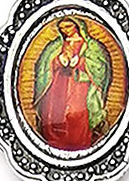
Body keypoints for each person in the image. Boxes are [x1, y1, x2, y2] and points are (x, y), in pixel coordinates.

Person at [31, 17, 112, 152]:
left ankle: (79, 144)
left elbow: (100, 66)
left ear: (77, 26)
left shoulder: (92, 46)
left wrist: (81, 62)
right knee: (53, 112)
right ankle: (53, 144)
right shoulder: (54, 46)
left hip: (79, 85)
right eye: (62, 28)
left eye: (68, 27)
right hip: (57, 84)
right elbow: (43, 64)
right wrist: (57, 60)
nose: (65, 31)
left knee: (76, 114)